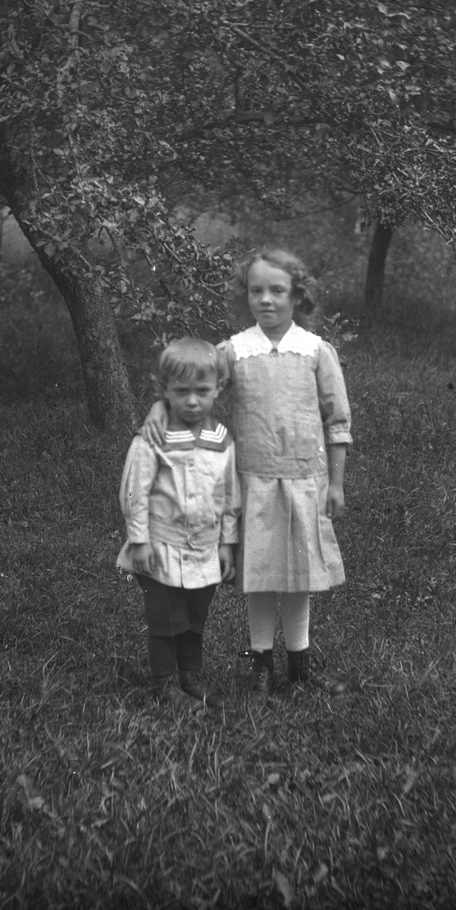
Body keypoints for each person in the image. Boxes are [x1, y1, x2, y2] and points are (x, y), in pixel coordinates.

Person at [142, 248, 352, 701]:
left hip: (305, 481)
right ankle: (261, 664)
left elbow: (337, 422)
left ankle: (299, 664)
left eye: (277, 291)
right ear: (247, 296)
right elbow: (194, 382)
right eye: (257, 291)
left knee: (297, 576)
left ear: (297, 295)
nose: (266, 300)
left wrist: (335, 484)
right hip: (252, 482)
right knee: (259, 573)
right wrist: (161, 411)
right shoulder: (235, 351)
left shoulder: (315, 351)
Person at [117, 337, 241, 708]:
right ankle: (164, 683)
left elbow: (230, 496)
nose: (192, 401)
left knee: (194, 619)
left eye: (202, 391)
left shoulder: (222, 441)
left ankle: (190, 676)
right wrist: (139, 540)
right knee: (166, 619)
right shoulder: (154, 438)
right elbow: (134, 491)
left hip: (204, 547)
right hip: (162, 546)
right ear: (164, 390)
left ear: (218, 389)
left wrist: (227, 543)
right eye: (181, 391)